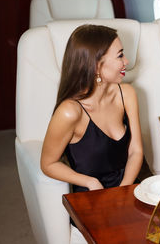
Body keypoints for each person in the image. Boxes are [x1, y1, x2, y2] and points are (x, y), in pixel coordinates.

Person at [40, 25, 143, 240]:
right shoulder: (69, 112)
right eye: (120, 56)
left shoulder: (127, 93)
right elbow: (48, 163)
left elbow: (136, 151)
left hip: (131, 186)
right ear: (96, 66)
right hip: (94, 200)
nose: (126, 62)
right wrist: (89, 182)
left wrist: (123, 191)